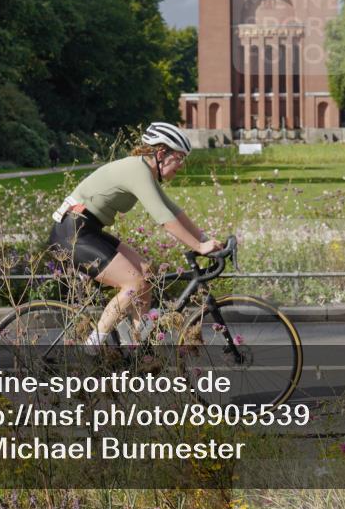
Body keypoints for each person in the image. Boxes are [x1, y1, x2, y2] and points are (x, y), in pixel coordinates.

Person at [47, 122, 223, 349]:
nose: (181, 165)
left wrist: (205, 240)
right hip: (71, 233)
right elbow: (165, 220)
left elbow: (175, 211)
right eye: (179, 158)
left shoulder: (145, 171)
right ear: (161, 153)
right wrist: (200, 248)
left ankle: (136, 346)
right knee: (133, 282)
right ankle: (92, 346)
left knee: (146, 273)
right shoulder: (137, 170)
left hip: (88, 230)